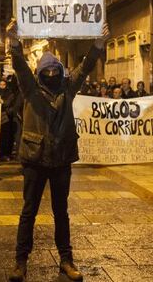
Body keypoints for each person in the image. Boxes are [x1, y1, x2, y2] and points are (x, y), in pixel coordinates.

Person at [6, 19, 110, 282]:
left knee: (61, 211)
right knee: (28, 211)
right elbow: (19, 66)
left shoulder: (68, 87)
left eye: (55, 72)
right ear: (40, 73)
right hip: (34, 159)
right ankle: (20, 262)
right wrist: (14, 42)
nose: (51, 76)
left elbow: (85, 68)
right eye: (47, 72)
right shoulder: (30, 89)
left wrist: (98, 44)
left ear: (60, 73)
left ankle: (66, 260)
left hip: (61, 158)